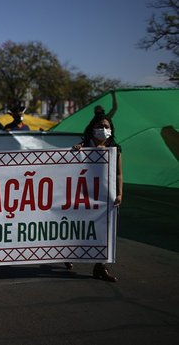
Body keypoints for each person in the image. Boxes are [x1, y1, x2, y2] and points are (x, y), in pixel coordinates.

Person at [69, 107, 123, 282]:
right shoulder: (84, 146)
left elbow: (119, 173)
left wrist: (120, 193)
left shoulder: (114, 148)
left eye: (107, 127)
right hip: (83, 194)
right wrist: (77, 150)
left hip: (105, 197)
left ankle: (100, 267)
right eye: (100, 126)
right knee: (77, 226)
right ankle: (66, 253)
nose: (104, 129)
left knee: (104, 230)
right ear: (92, 128)